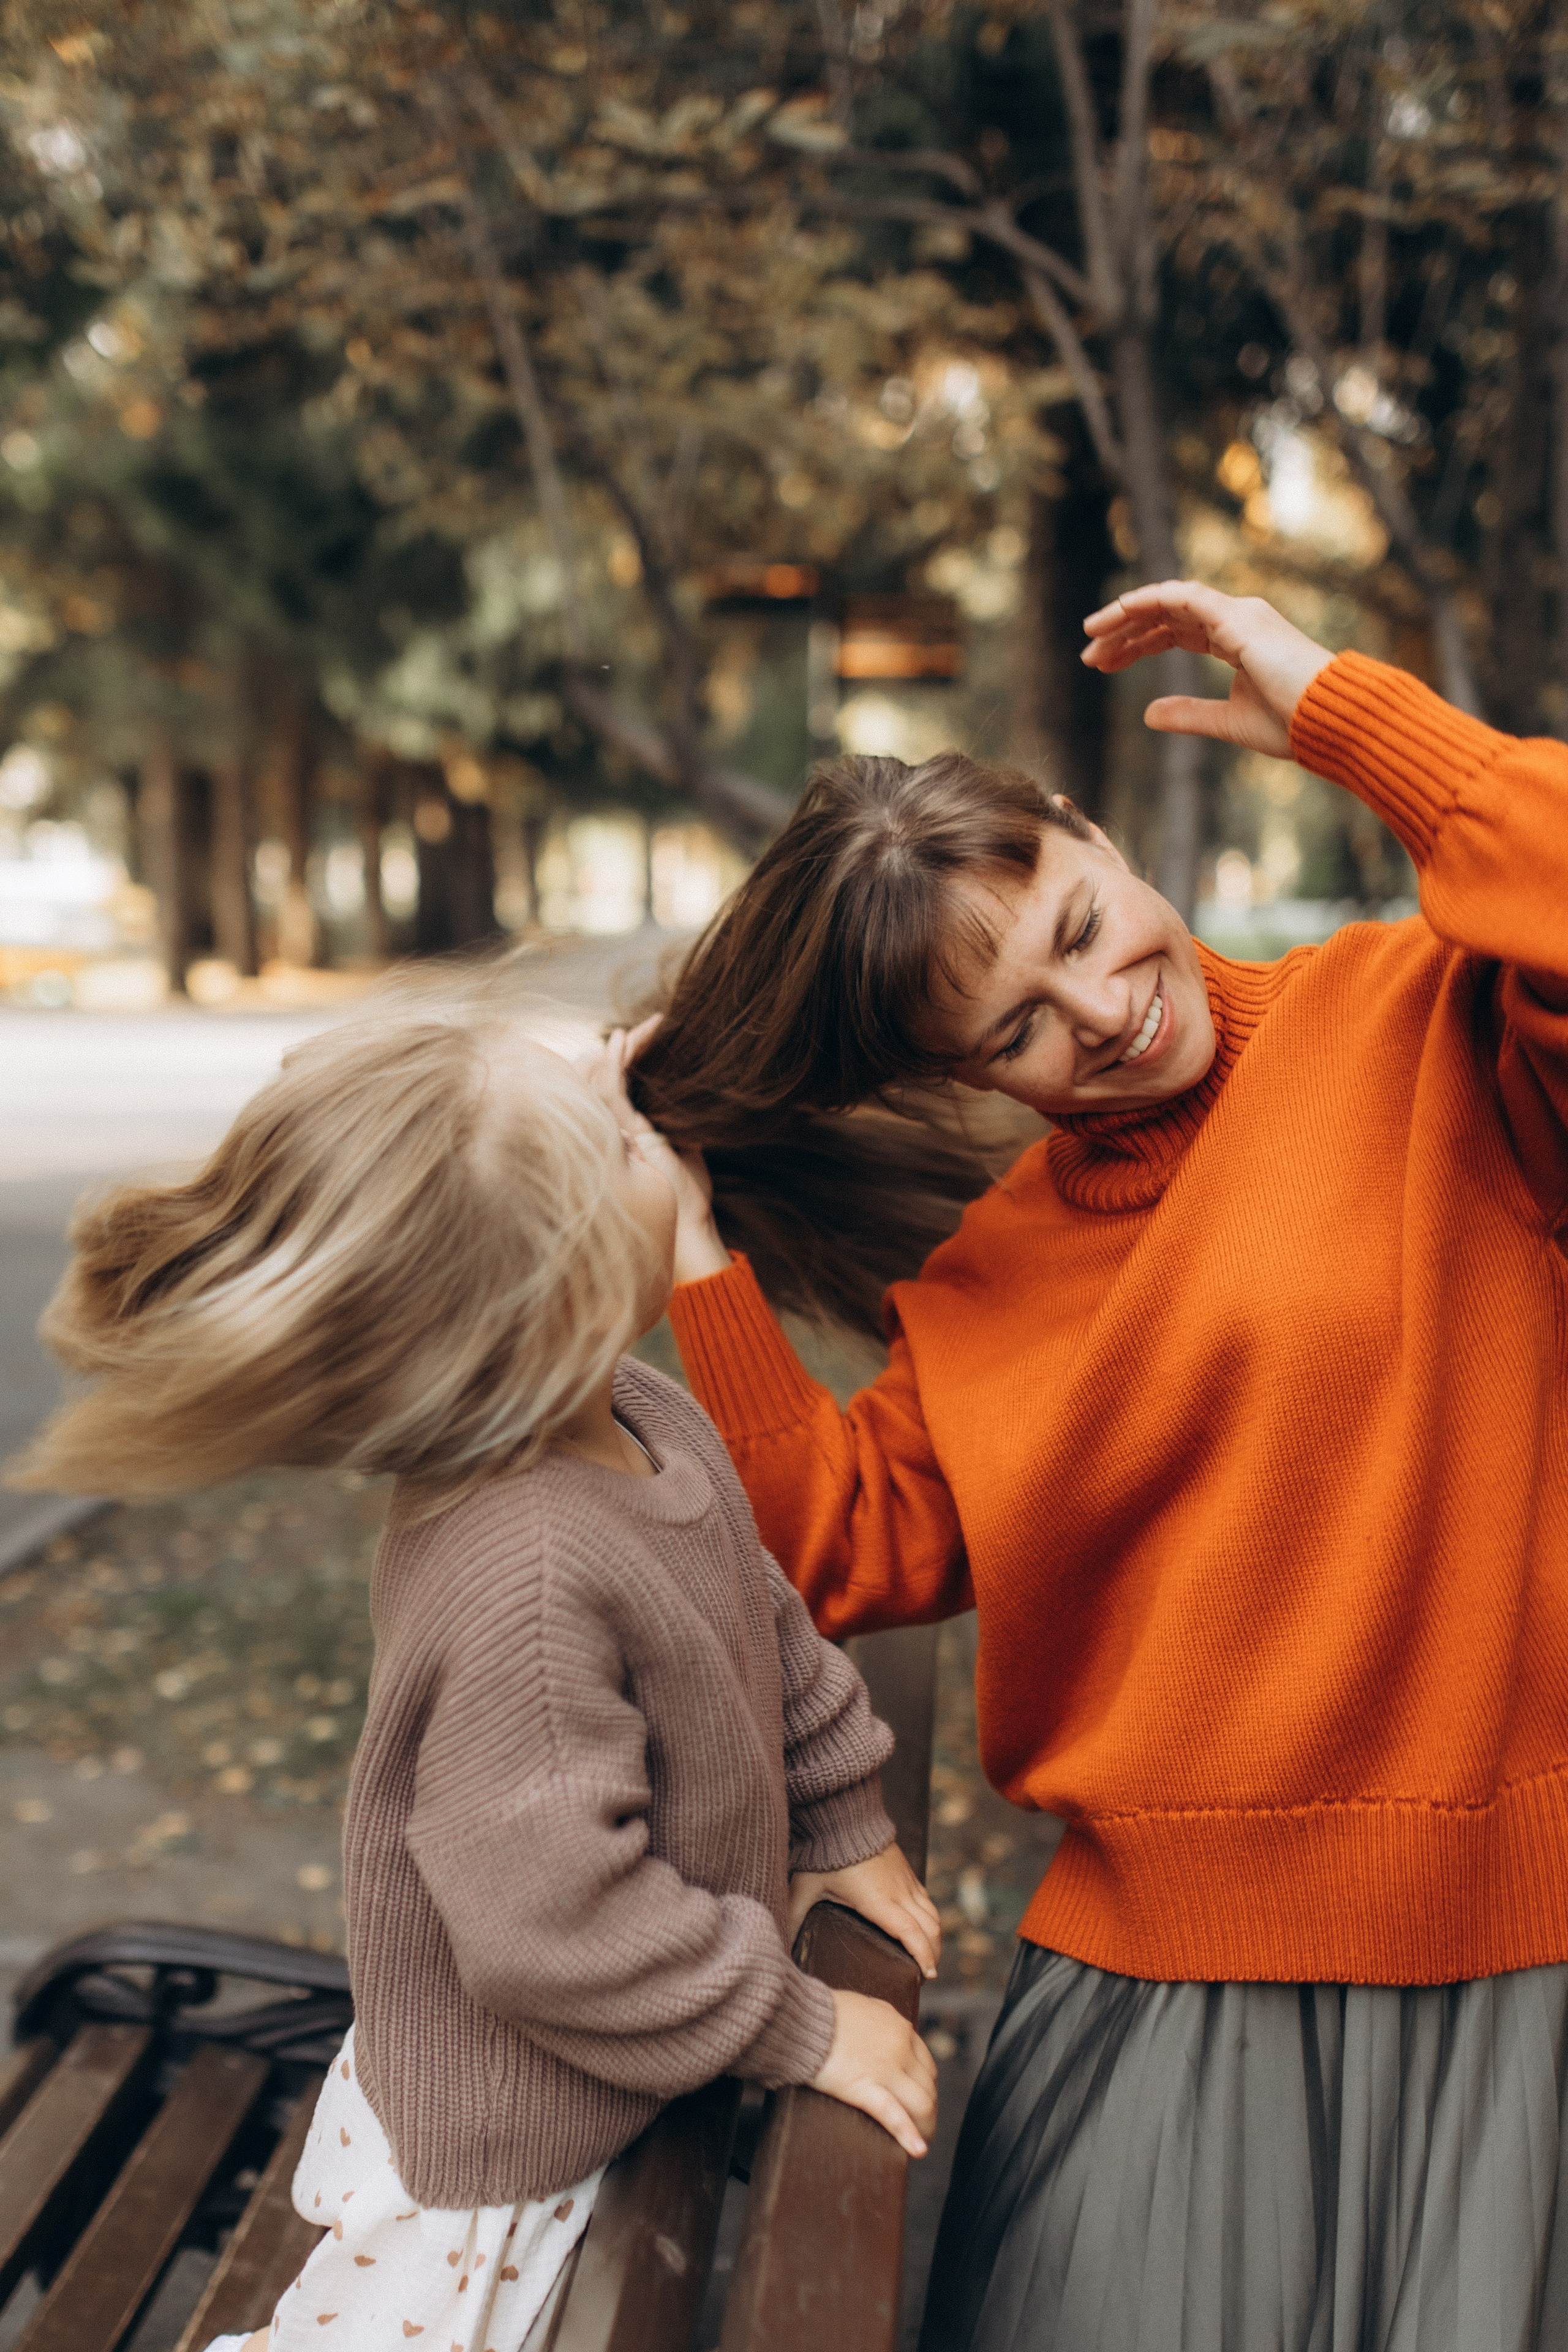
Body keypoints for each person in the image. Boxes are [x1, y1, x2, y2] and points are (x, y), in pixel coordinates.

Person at [608, 582, 1568, 2350]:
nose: (1104, 1013)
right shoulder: (1000, 1274)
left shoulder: (1437, 1027)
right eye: (1018, 1027)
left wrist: (1358, 717)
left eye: (1080, 921)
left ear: (1099, 832)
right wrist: (693, 1263)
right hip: (1158, 1987)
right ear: (961, 1077)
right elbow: (834, 1550)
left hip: (1522, 1957)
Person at [13, 967, 940, 2352]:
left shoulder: (636, 1412)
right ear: (562, 1295)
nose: (661, 1132)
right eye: (620, 1131)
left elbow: (758, 1620)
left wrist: (846, 1820)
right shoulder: (527, 1568)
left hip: (608, 2095)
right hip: (505, 2176)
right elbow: (554, 1930)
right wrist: (801, 2026)